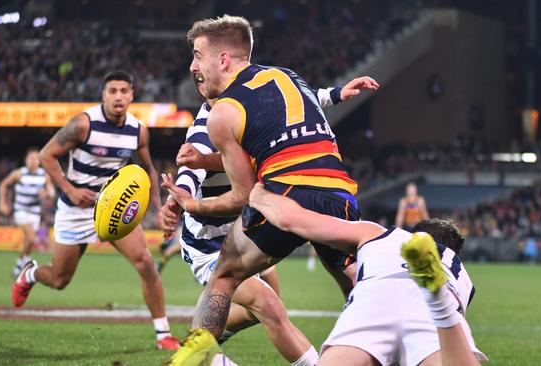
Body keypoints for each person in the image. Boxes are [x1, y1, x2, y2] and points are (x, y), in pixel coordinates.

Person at [162, 15, 378, 362]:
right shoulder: (286, 77)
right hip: (340, 191)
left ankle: (190, 360)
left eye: (198, 56)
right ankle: (396, 346)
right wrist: (338, 94)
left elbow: (242, 196)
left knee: (225, 278)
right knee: (352, 281)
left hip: (285, 197)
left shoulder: (222, 113)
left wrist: (190, 205)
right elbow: (305, 102)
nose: (192, 67)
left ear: (223, 59)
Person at [11, 70, 180, 350]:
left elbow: (148, 167)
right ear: (103, 94)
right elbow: (46, 155)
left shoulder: (138, 130)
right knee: (59, 279)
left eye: (124, 91)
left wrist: (159, 209)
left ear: (132, 95)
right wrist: (70, 190)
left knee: (146, 263)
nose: (118, 97)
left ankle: (163, 335)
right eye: (112, 91)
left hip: (113, 208)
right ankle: (30, 274)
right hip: (75, 209)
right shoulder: (83, 124)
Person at [247, 184, 487, 366]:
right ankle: (439, 305)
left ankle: (219, 363)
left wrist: (259, 194)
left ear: (410, 235)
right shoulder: (458, 269)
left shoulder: (380, 234)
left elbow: (295, 220)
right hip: (430, 304)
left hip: (375, 297)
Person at [0, 147, 55, 278]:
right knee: (31, 238)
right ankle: (21, 266)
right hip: (21, 210)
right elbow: (3, 185)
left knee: (29, 243)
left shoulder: (44, 175)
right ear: (26, 160)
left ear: (39, 161)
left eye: (36, 159)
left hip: (35, 213)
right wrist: (2, 203)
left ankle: (20, 266)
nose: (33, 161)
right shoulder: (19, 173)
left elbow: (51, 193)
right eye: (31, 158)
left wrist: (46, 194)